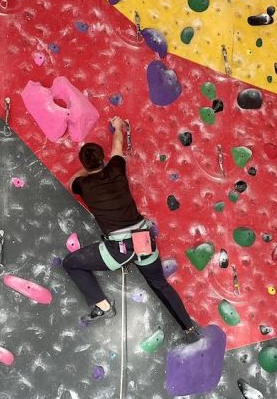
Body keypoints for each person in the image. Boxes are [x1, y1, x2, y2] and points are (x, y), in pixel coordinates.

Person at [63, 116, 201, 344]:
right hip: (142, 238)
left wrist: (86, 170)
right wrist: (118, 127)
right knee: (159, 284)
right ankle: (189, 328)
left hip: (117, 249)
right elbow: (117, 145)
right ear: (104, 159)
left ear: (86, 166)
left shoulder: (83, 184)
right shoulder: (117, 168)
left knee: (70, 263)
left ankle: (103, 305)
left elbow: (72, 181)